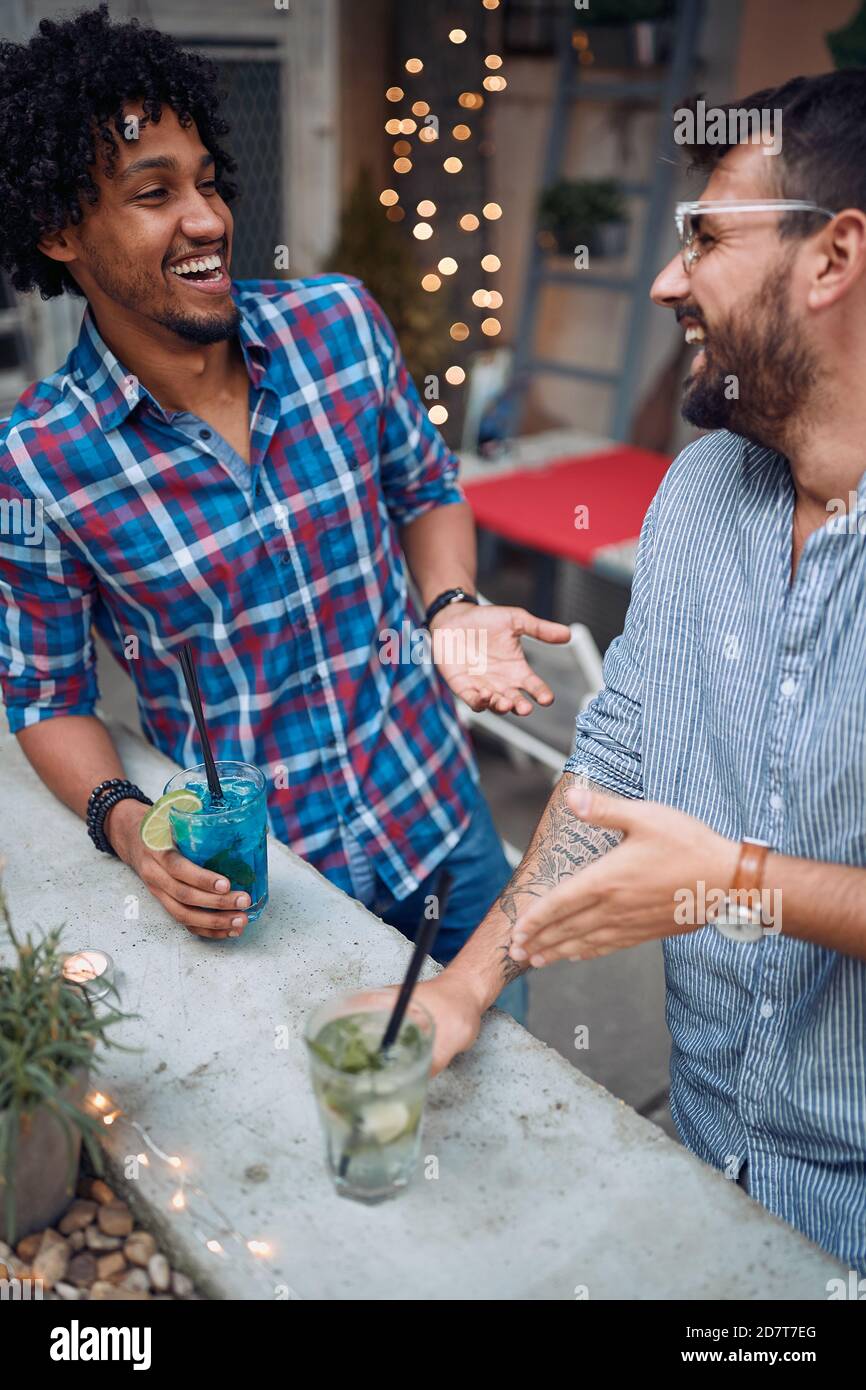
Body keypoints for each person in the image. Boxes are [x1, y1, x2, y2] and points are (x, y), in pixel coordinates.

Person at [0, 5, 571, 1022]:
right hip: (270, 898)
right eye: (153, 193)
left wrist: (448, 609)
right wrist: (129, 826)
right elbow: (47, 694)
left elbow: (427, 488)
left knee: (499, 1127)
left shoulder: (340, 326)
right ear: (59, 230)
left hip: (441, 835)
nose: (208, 218)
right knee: (341, 1152)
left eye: (207, 182)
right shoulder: (40, 463)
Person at [406, 71, 866, 1274]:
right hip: (701, 1152)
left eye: (705, 239)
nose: (667, 280)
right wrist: (466, 982)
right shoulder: (702, 490)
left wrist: (738, 880)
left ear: (830, 259)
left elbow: (723, 879)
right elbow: (611, 765)